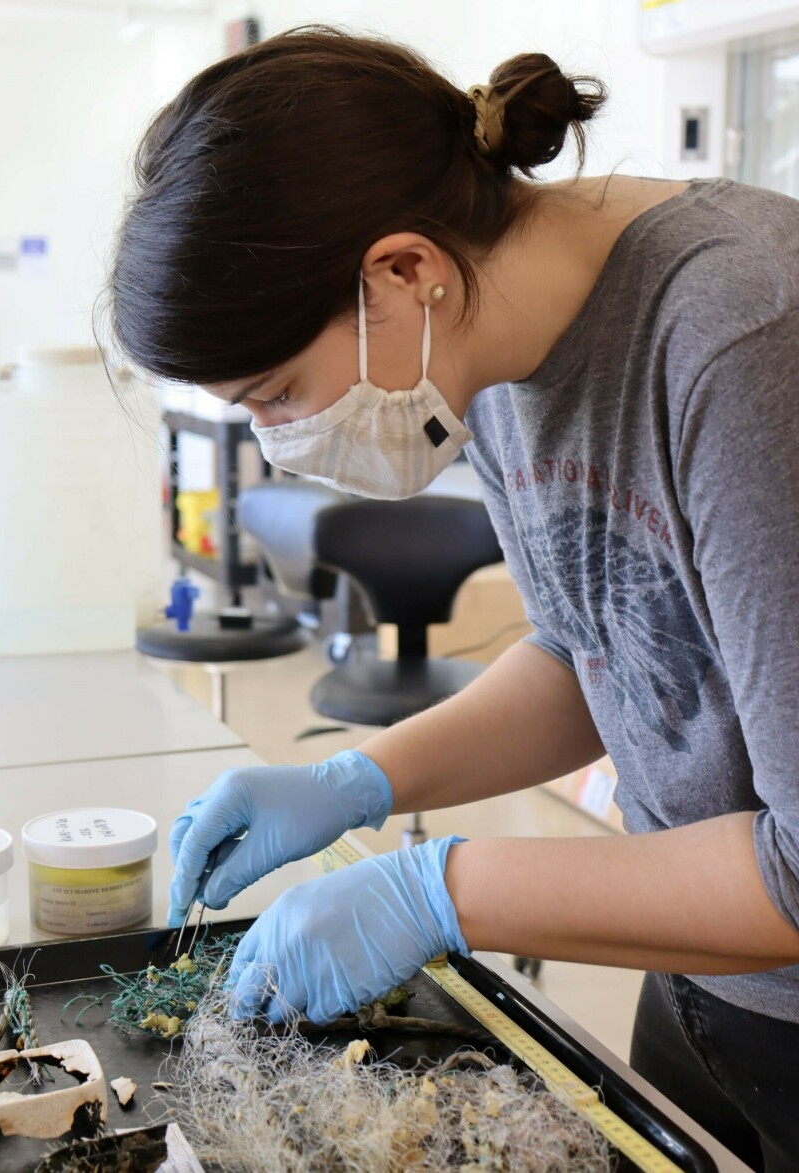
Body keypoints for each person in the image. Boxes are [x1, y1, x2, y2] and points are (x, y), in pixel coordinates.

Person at [108, 27, 799, 1171]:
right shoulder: (485, 342)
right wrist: (360, 779)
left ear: (402, 271)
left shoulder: (742, 344)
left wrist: (441, 890)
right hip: (699, 967)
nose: (278, 445)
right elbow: (599, 651)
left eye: (277, 395)